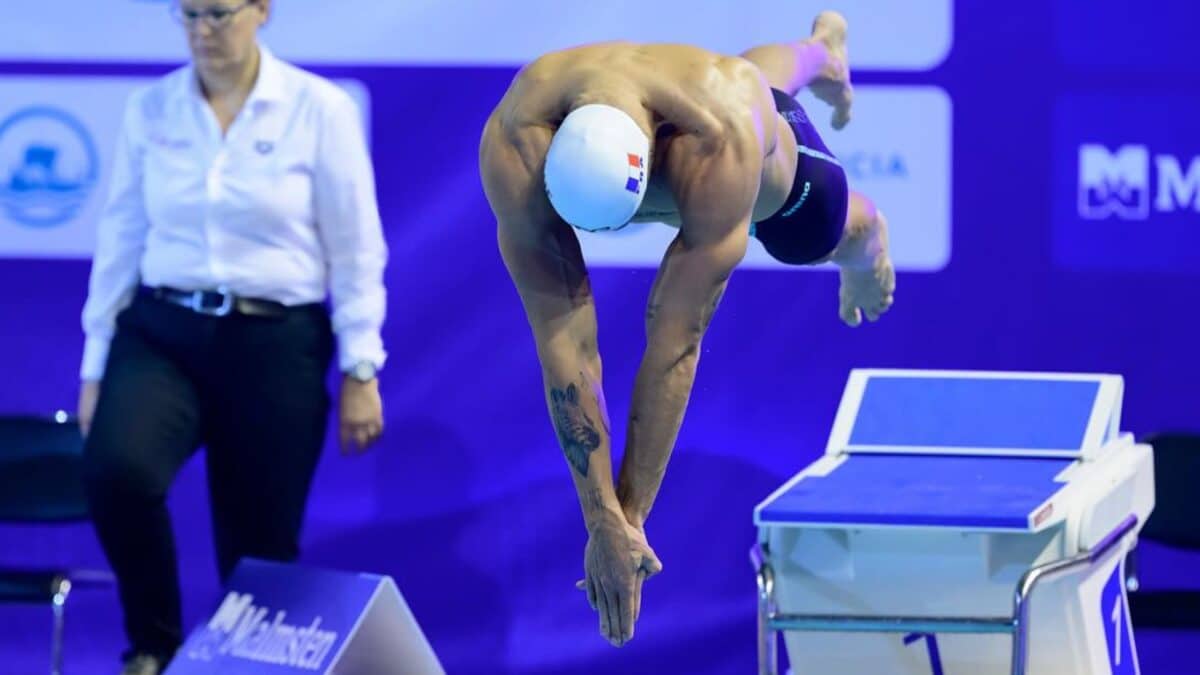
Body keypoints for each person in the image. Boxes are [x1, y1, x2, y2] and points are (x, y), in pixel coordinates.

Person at [478, 10, 894, 647]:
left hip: (743, 142)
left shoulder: (719, 142)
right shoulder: (515, 143)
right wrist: (601, 521)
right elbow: (564, 340)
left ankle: (858, 206)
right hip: (686, 101)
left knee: (814, 227)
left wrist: (632, 516)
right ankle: (820, 51)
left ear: (646, 167)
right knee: (752, 78)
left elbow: (674, 342)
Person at [77, 1, 388, 672]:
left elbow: (356, 247)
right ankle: (153, 647)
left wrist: (362, 365)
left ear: (262, 11)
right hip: (162, 331)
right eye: (187, 14)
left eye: (218, 13)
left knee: (257, 548)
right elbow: (121, 234)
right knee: (117, 470)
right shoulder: (150, 109)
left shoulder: (319, 108)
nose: (202, 32)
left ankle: (240, 666)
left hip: (275, 342)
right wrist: (95, 364)